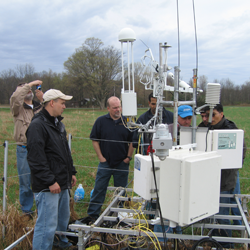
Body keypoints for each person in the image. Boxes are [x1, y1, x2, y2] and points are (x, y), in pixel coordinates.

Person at [26, 89, 77, 250]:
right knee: (46, 226)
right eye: (62, 103)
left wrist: (71, 172)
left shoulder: (57, 123)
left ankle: (60, 244)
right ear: (52, 103)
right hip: (49, 186)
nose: (64, 106)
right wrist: (50, 181)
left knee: (62, 220)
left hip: (61, 182)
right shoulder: (37, 126)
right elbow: (36, 159)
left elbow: (64, 151)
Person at [206, 104, 246, 248]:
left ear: (221, 114)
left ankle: (234, 240)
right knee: (222, 210)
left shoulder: (231, 129)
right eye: (207, 115)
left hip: (228, 176)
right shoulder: (206, 128)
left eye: (214, 115)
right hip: (214, 176)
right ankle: (227, 241)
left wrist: (233, 168)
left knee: (233, 207)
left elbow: (241, 152)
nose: (210, 119)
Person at [87, 96, 134, 219]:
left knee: (121, 191)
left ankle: (119, 215)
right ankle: (93, 215)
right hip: (105, 163)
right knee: (99, 188)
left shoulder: (127, 121)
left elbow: (132, 142)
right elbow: (94, 140)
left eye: (119, 107)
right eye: (114, 108)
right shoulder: (100, 121)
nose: (118, 109)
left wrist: (128, 157)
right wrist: (101, 158)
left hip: (122, 163)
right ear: (108, 108)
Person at [10, 80, 43, 215]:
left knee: (42, 179)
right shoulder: (17, 108)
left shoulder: (40, 106)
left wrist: (43, 99)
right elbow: (15, 97)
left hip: (40, 149)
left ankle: (41, 210)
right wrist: (30, 84)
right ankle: (26, 212)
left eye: (29, 89)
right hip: (24, 149)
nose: (27, 90)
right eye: (23, 89)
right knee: (25, 183)